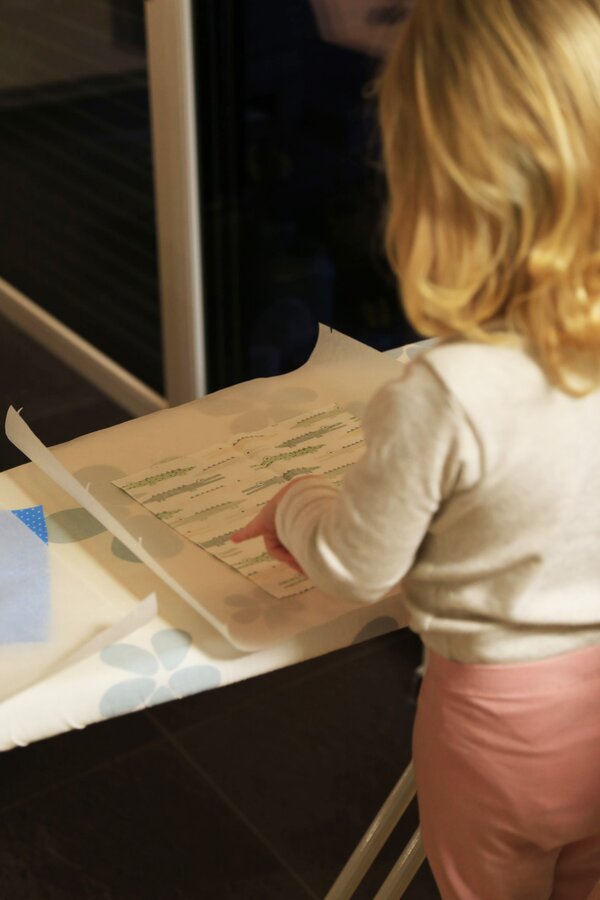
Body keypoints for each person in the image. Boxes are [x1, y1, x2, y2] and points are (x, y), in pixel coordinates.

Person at [231, 1, 600, 896]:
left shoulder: (444, 391)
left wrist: (299, 502)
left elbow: (357, 567)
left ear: (433, 191)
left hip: (499, 728)